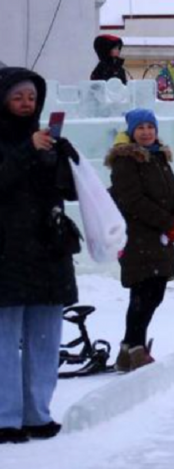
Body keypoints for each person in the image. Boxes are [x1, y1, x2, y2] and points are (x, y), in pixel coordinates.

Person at [0, 67, 81, 444]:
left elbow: (70, 193)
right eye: (17, 97)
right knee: (3, 340)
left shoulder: (46, 140)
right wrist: (26, 151)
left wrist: (63, 157)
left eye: (31, 97)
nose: (25, 104)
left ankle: (37, 413)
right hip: (7, 251)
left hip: (48, 249)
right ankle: (5, 418)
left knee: (45, 338)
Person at [105, 109, 174, 373]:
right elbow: (132, 200)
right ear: (131, 132)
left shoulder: (159, 156)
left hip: (159, 238)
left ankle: (127, 351)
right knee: (142, 294)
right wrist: (168, 223)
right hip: (138, 237)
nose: (146, 131)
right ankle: (136, 350)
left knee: (155, 292)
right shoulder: (125, 161)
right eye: (139, 127)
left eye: (150, 126)